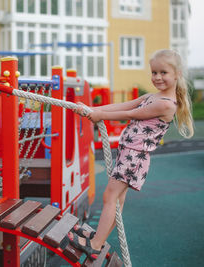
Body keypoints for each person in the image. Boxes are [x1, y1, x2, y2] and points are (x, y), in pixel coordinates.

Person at [67, 49, 194, 260]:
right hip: (128, 153)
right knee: (116, 200)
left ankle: (96, 244)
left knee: (110, 196)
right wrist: (92, 108)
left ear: (177, 74)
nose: (157, 77)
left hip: (135, 157)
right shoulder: (152, 97)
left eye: (163, 72)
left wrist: (99, 115)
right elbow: (124, 105)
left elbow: (129, 114)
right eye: (154, 72)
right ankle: (98, 238)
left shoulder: (164, 104)